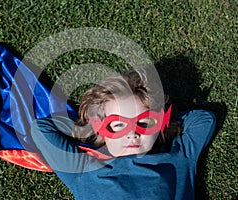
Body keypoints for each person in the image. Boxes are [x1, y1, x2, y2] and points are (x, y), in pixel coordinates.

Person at [30, 68, 216, 200]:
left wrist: (162, 122)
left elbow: (204, 120)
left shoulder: (177, 157)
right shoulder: (82, 169)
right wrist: (88, 127)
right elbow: (41, 128)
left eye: (143, 123)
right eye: (118, 125)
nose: (132, 133)